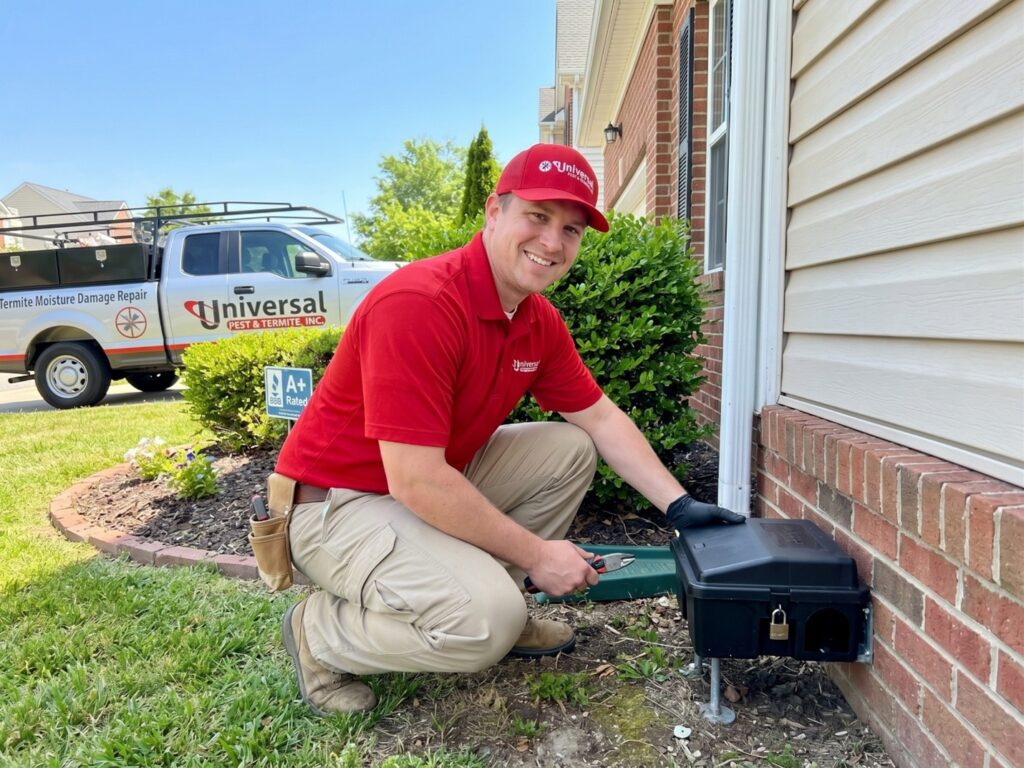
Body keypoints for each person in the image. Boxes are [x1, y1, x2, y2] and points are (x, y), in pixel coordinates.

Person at [272, 143, 745, 716]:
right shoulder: (419, 304)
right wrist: (541, 556)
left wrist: (679, 507)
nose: (553, 242)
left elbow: (598, 417)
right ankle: (319, 633)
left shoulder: (534, 319)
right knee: (482, 621)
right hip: (334, 505)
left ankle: (497, 601)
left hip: (414, 484)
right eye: (538, 217)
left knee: (568, 449)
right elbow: (416, 481)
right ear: (494, 212)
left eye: (571, 229)